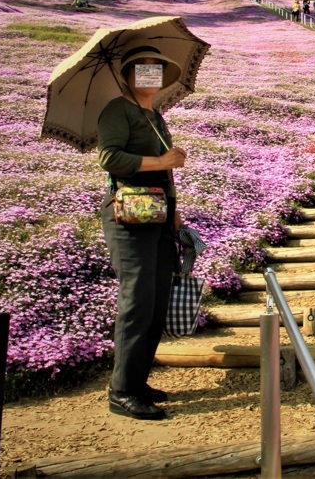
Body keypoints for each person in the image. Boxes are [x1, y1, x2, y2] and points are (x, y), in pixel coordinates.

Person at [97, 45, 188, 421]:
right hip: (129, 215)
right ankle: (122, 391)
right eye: (143, 68)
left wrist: (174, 208)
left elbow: (163, 172)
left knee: (155, 301)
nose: (151, 74)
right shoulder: (117, 110)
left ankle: (138, 380)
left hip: (159, 215)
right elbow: (110, 157)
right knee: (136, 302)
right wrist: (161, 160)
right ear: (128, 74)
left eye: (157, 68)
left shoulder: (155, 114)